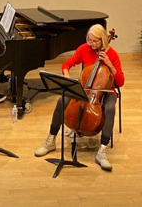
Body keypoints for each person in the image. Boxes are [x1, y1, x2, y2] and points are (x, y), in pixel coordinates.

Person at [34, 24, 123, 171]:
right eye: (89, 40)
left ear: (102, 40)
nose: (91, 44)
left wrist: (109, 64)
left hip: (106, 91)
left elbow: (121, 81)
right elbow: (67, 64)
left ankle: (103, 150)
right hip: (85, 88)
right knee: (62, 100)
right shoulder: (84, 49)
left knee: (109, 108)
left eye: (94, 41)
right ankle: (51, 140)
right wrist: (67, 77)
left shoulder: (112, 54)